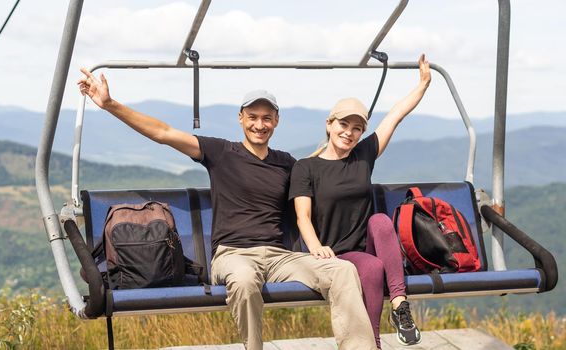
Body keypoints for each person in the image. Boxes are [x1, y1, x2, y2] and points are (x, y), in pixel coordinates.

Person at [77, 68, 376, 350]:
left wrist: (358, 157)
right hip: (233, 256)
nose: (260, 124)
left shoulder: (287, 163)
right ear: (241, 118)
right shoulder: (221, 153)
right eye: (253, 117)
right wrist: (110, 104)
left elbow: (324, 176)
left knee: (342, 271)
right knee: (245, 282)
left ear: (277, 121)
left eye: (267, 118)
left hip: (279, 258)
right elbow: (164, 132)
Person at [288, 54, 432, 348]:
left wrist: (423, 84)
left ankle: (399, 306)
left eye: (357, 128)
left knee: (379, 221)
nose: (349, 132)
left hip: (364, 246)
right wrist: (316, 248)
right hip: (333, 255)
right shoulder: (306, 167)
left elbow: (395, 115)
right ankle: (373, 342)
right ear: (329, 124)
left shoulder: (363, 156)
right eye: (343, 124)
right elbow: (302, 216)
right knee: (370, 267)